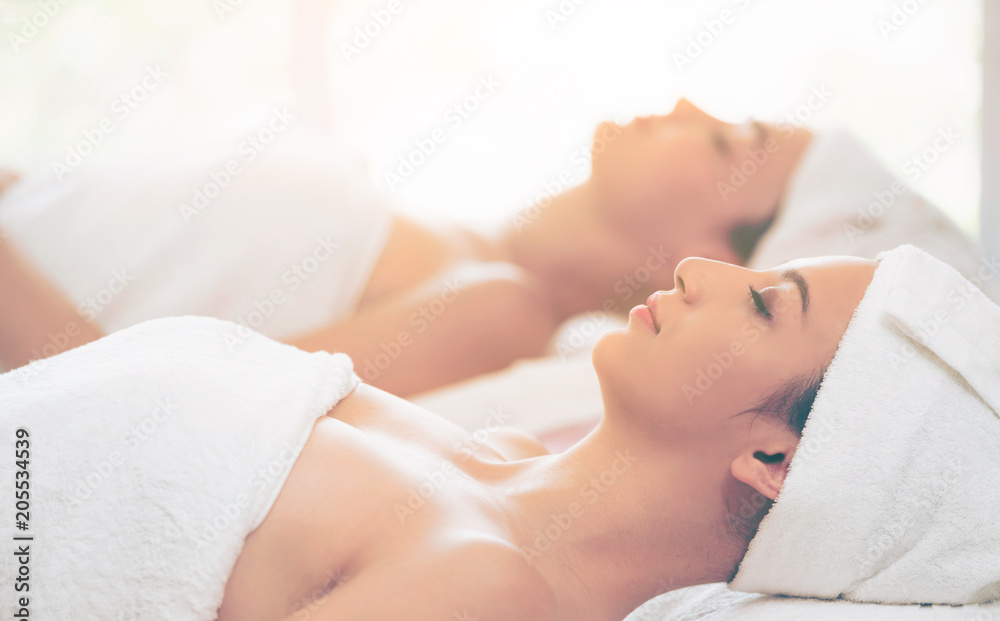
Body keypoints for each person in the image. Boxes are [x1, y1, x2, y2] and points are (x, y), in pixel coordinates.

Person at [0, 248, 874, 621]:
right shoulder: (497, 455)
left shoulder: (495, 598)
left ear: (775, 459)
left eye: (765, 305)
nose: (698, 269)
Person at [0, 100, 815, 395]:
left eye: (723, 141)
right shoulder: (407, 211)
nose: (683, 102)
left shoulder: (501, 308)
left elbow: (121, 398)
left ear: (711, 249)